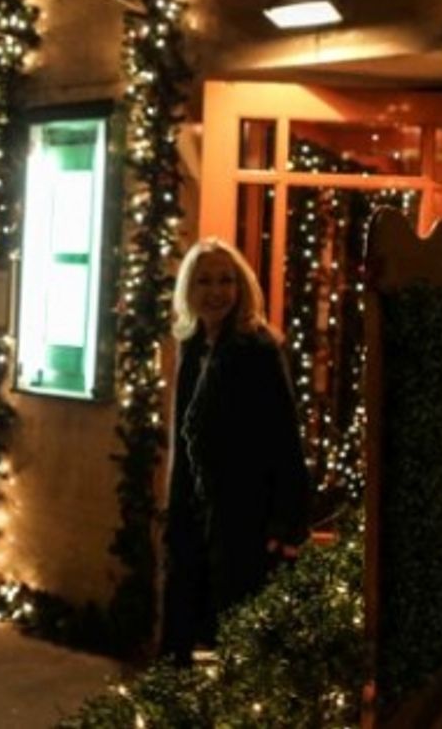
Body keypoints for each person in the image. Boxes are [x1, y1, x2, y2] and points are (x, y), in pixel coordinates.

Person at [159, 237, 311, 664]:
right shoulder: (191, 347)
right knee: (185, 622)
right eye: (205, 281)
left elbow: (285, 437)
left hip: (245, 511)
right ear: (189, 289)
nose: (217, 291)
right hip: (194, 510)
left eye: (226, 280)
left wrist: (287, 521)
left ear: (241, 286)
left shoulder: (257, 349)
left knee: (238, 632)